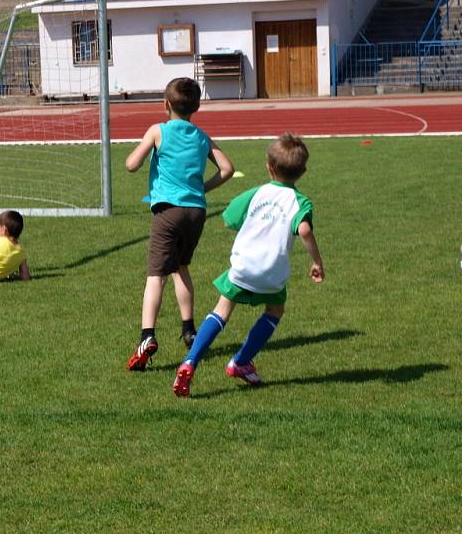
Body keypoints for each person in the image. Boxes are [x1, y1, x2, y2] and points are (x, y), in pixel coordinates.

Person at [173, 132, 325, 397]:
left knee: (222, 310)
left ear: (269, 167)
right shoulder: (300, 202)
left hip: (244, 265)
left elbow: (230, 217)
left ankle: (190, 361)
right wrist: (316, 262)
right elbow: (304, 230)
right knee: (275, 310)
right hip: (272, 271)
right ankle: (241, 362)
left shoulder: (256, 193)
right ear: (303, 172)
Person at [125, 77, 235, 371]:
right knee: (181, 267)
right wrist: (202, 189)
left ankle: (147, 336)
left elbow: (131, 164)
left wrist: (145, 151)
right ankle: (189, 329)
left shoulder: (157, 131)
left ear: (165, 104)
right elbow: (227, 169)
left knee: (155, 276)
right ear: (196, 107)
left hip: (168, 211)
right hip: (196, 212)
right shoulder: (201, 136)